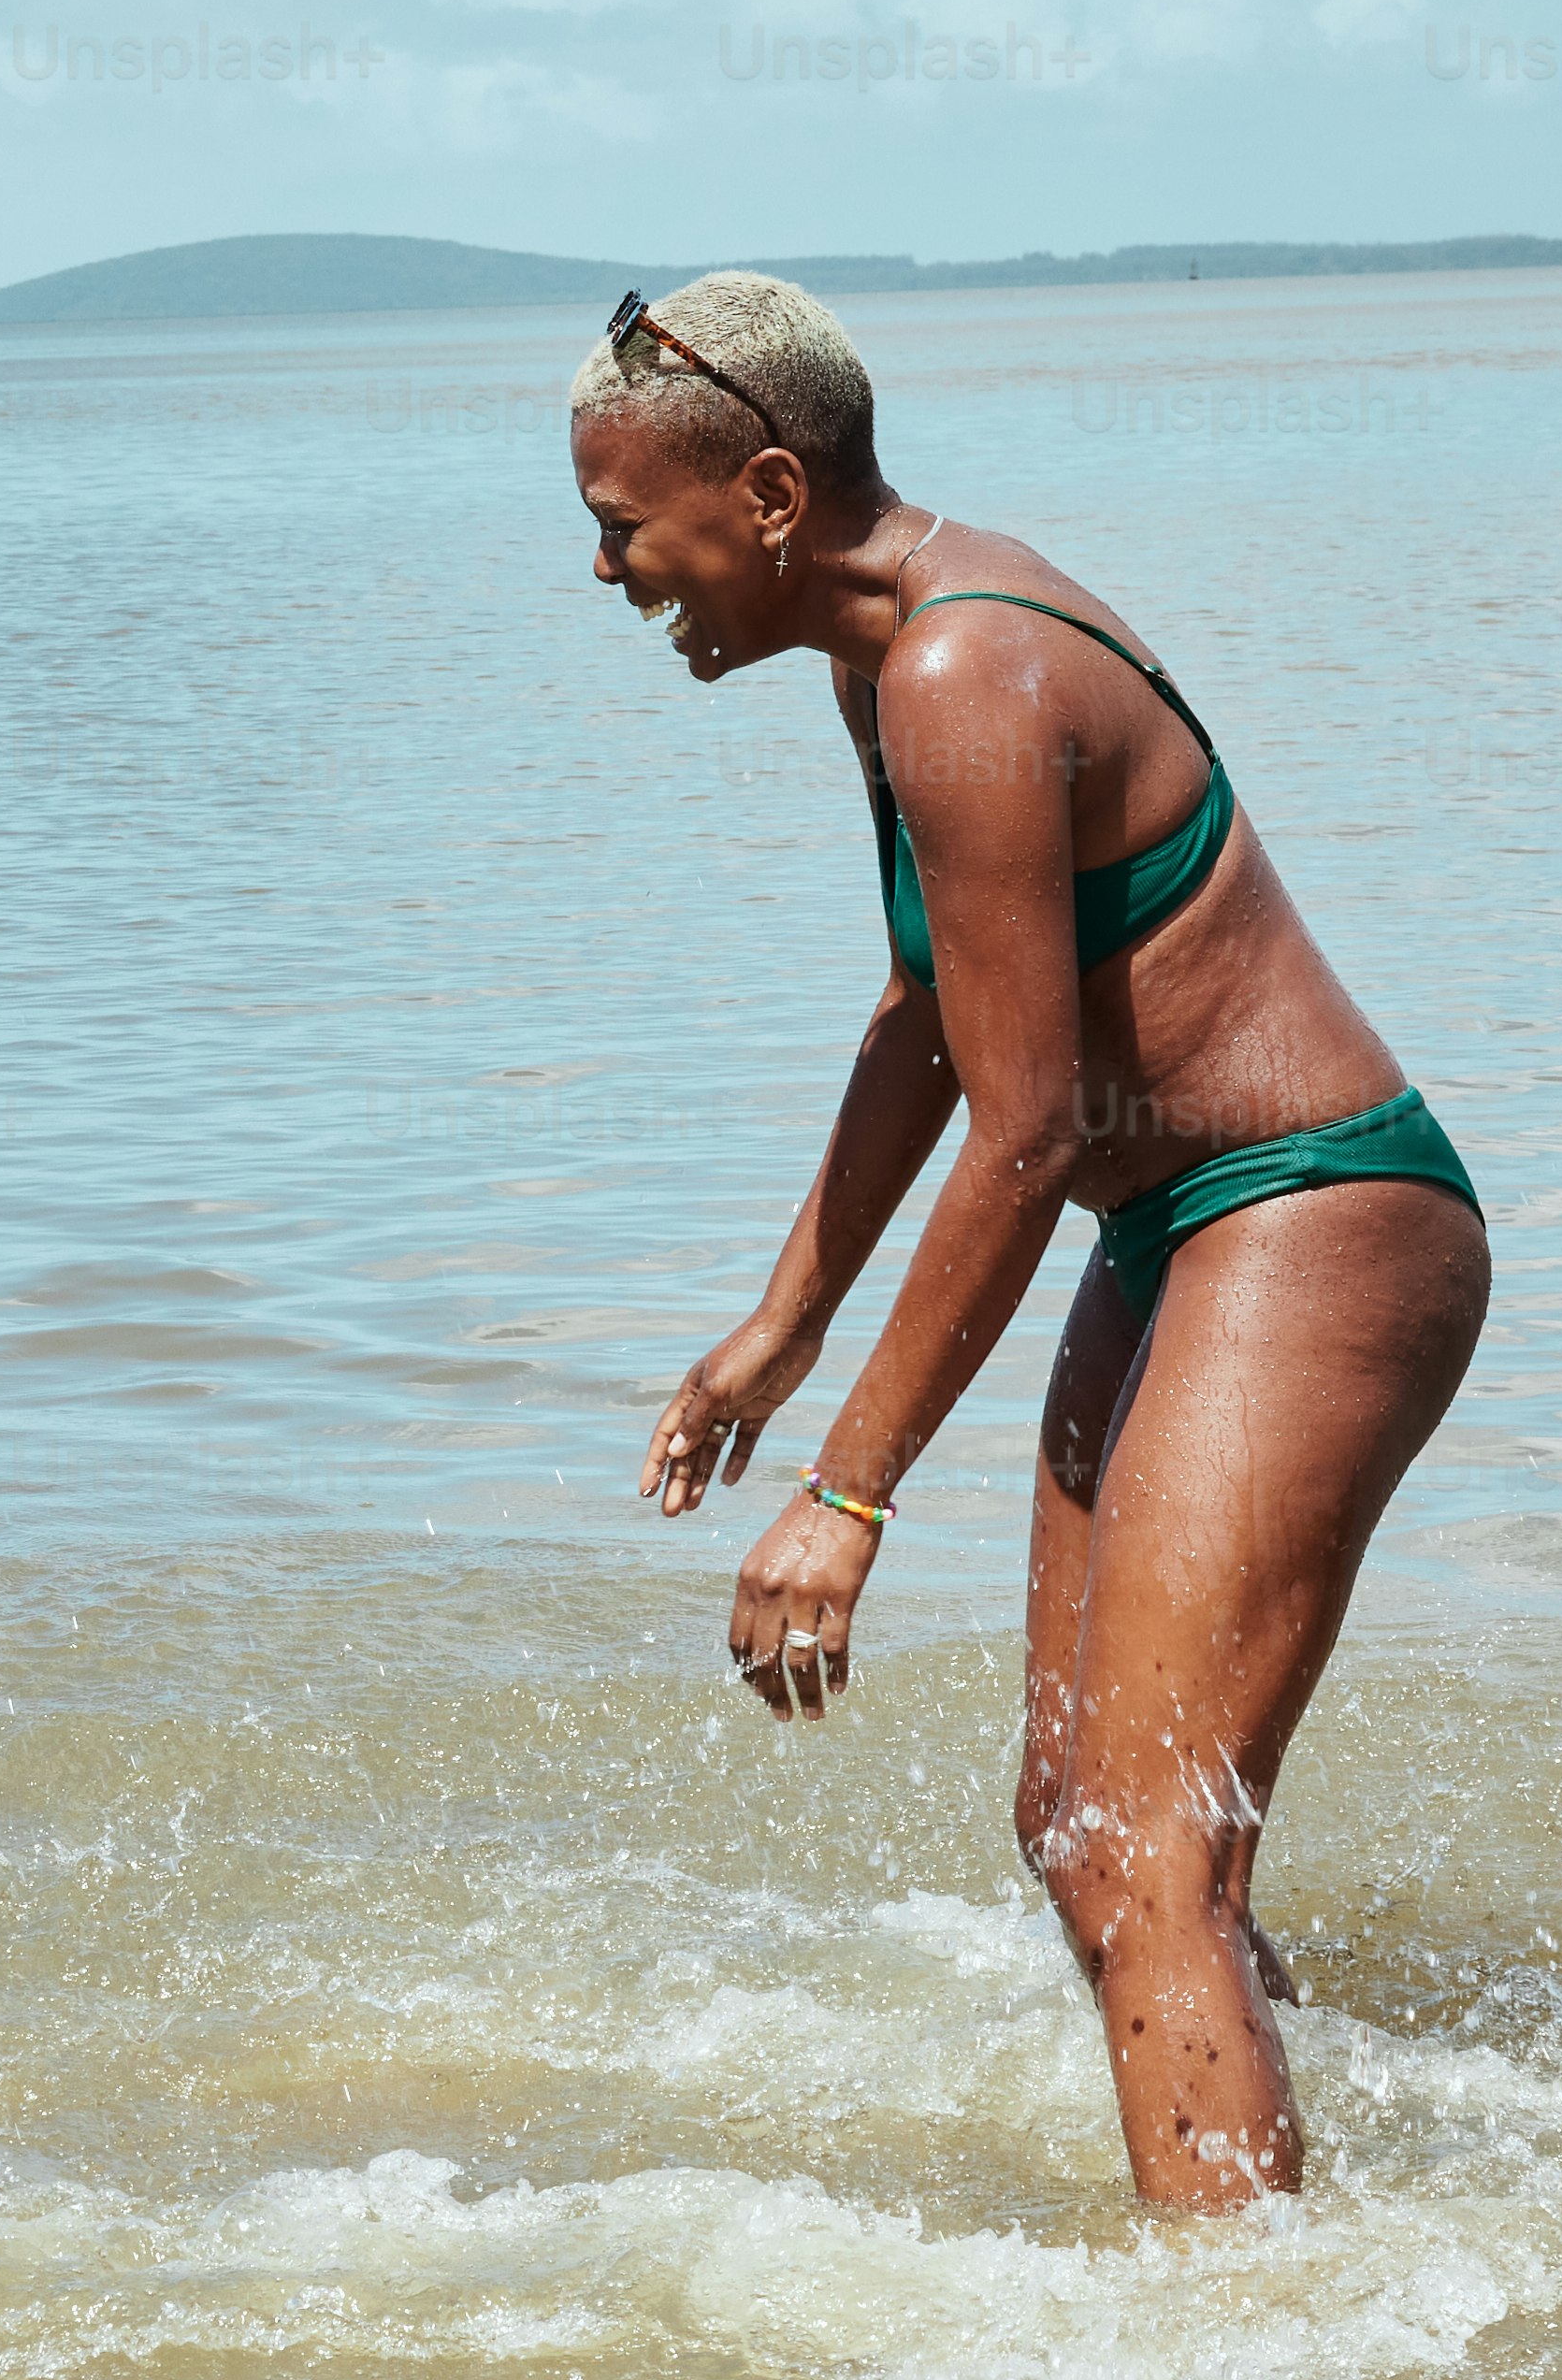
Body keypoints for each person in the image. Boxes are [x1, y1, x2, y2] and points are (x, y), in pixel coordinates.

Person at [576, 278, 1490, 2210]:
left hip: (1308, 1210)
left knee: (1148, 1841)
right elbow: (934, 1010)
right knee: (1083, 1826)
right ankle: (1281, 2215)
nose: (605, 570)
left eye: (621, 523)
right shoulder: (885, 651)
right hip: (1175, 1225)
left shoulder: (962, 672)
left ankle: (1250, 2349)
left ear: (759, 489)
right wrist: (780, 1322)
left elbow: (1030, 1124)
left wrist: (849, 1495)